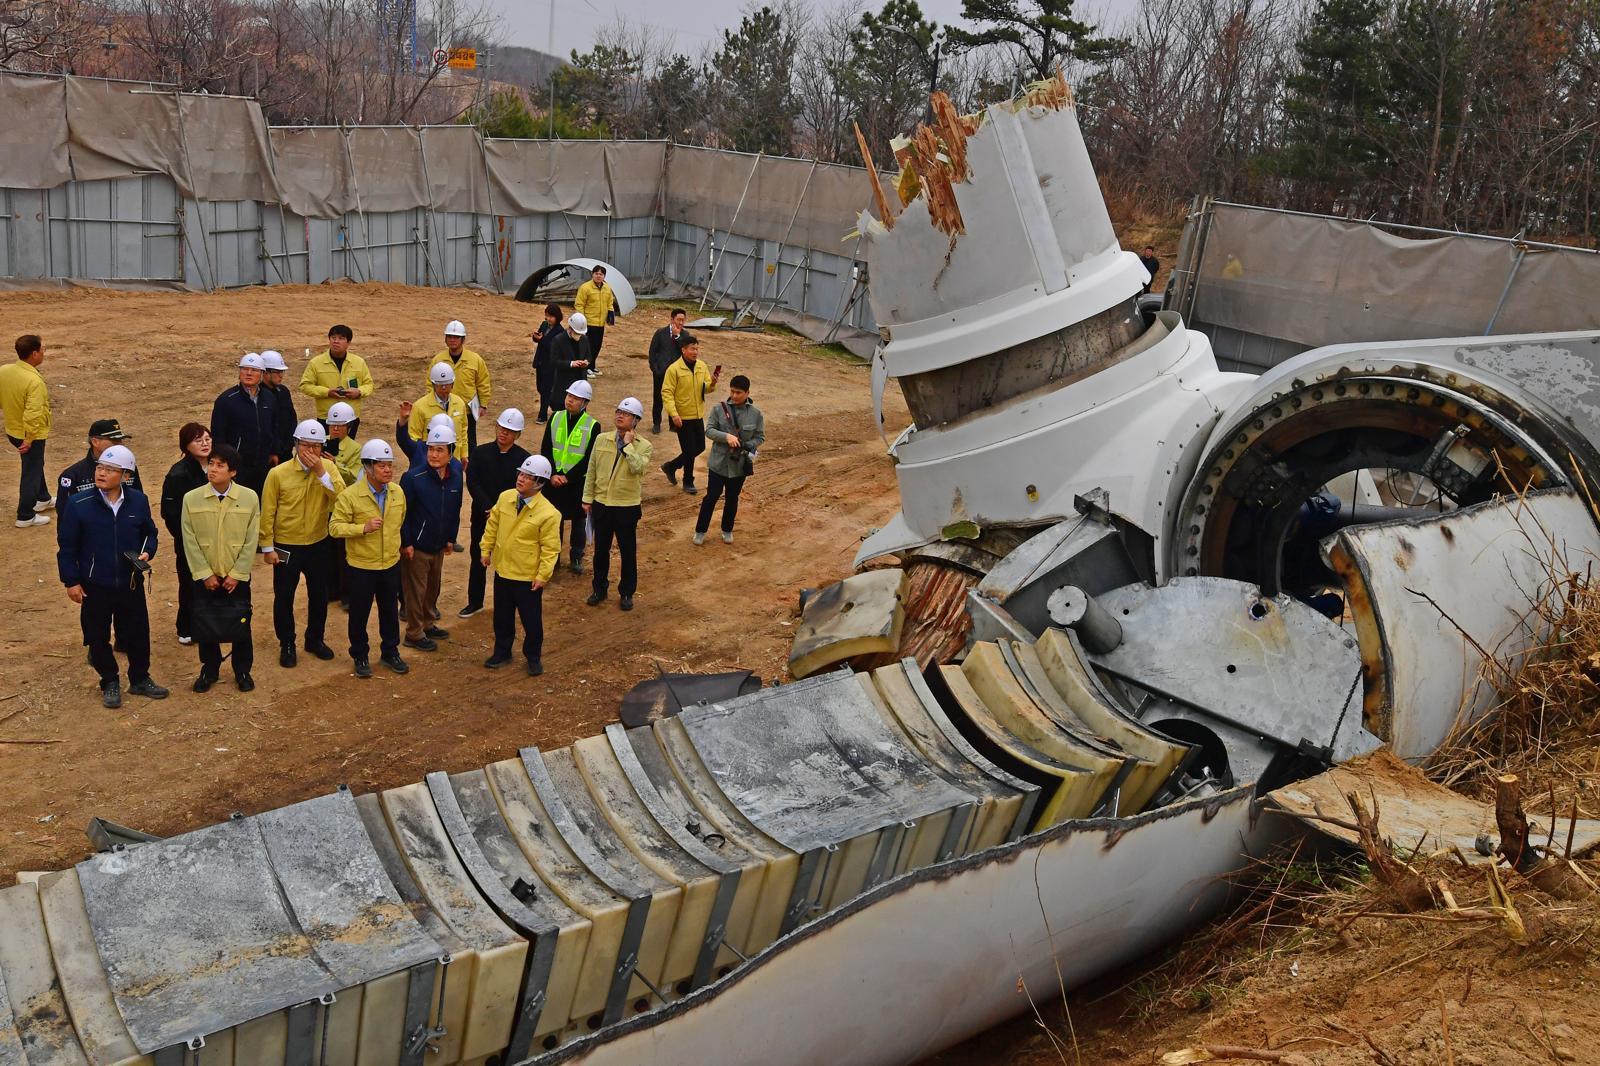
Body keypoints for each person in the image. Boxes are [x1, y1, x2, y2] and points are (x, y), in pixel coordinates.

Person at [55, 444, 168, 709]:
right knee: (97, 636)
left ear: (126, 476)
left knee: (138, 633)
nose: (102, 473)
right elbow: (67, 547)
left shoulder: (138, 501)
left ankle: (140, 678)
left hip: (130, 581)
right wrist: (71, 581)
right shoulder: (79, 504)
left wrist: (147, 552)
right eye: (100, 468)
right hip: (95, 585)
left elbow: (150, 533)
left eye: (110, 469)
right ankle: (109, 681)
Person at [260, 419, 345, 668]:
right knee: (284, 596)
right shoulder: (278, 474)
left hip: (318, 542)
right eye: (306, 446)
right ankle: (287, 642)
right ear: (296, 445)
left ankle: (314, 639)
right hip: (287, 545)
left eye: (317, 446)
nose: (311, 452)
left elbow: (342, 497)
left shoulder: (328, 467)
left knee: (319, 594)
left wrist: (321, 473)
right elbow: (268, 511)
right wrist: (267, 546)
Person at [180, 443, 261, 693]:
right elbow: (189, 539)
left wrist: (237, 574)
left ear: (233, 472)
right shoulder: (191, 498)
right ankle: (210, 669)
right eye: (211, 464)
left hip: (236, 577)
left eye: (220, 465)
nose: (213, 469)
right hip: (206, 577)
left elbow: (251, 539)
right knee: (205, 623)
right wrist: (204, 573)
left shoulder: (249, 497)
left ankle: (242, 670)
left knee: (241, 622)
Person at [330, 439, 408, 678]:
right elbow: (334, 527)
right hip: (361, 566)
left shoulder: (397, 492)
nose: (387, 470)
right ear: (367, 468)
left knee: (389, 612)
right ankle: (360, 655)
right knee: (359, 614)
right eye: (381, 466)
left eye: (389, 465)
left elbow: (400, 522)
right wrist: (361, 528)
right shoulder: (350, 496)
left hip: (390, 564)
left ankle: (390, 651)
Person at [481, 454, 559, 675]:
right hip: (504, 571)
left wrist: (542, 575)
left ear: (540, 483)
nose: (521, 479)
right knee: (502, 617)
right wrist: (485, 550)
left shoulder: (549, 514)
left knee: (531, 620)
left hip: (526, 577)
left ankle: (533, 657)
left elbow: (550, 548)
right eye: (521, 473)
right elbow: (492, 526)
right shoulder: (506, 497)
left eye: (528, 476)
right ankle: (502, 652)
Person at [583, 397, 652, 611]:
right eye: (618, 411)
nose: (620, 415)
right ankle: (599, 589)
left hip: (626, 506)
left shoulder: (644, 446)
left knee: (627, 551)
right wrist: (587, 497)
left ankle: (627, 592)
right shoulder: (602, 439)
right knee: (600, 550)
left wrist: (629, 446)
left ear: (636, 421)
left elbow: (638, 469)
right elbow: (592, 469)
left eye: (626, 413)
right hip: (602, 503)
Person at [400, 422, 463, 651]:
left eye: (439, 450)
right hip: (416, 547)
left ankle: (428, 624)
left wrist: (450, 538)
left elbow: (455, 509)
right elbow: (402, 514)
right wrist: (406, 542)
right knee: (415, 592)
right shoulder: (413, 478)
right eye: (431, 449)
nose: (434, 455)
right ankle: (414, 633)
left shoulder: (456, 477)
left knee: (432, 588)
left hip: (438, 545)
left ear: (451, 452)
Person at [461, 408, 529, 618]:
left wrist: (500, 510)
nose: (503, 433)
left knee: (508, 559)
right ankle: (475, 601)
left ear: (517, 435)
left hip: (510, 518)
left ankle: (507, 604)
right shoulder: (480, 453)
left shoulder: (523, 459)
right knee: (478, 556)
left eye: (509, 430)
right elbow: (473, 482)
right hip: (482, 514)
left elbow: (521, 489)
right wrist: (488, 507)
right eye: (501, 427)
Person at [696, 374, 765, 545]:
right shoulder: (719, 409)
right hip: (718, 464)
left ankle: (727, 530)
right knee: (711, 497)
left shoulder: (756, 414)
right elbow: (709, 430)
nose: (734, 396)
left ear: (747, 393)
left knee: (732, 498)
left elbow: (760, 437)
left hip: (739, 465)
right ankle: (700, 531)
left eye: (739, 393)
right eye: (732, 391)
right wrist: (726, 436)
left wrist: (747, 445)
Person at [159, 423, 211, 646]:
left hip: (216, 538)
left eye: (207, 438)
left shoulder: (219, 465)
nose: (204, 443)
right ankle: (186, 627)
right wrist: (186, 538)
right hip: (190, 541)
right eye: (198, 440)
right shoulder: (178, 474)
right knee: (190, 584)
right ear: (186, 445)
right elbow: (170, 514)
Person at [539, 380, 598, 574]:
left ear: (585, 403)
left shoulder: (593, 426)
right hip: (554, 480)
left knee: (578, 521)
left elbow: (589, 457)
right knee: (554, 521)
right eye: (569, 396)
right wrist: (552, 474)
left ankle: (576, 556)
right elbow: (546, 448)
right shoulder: (555, 418)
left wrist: (568, 477)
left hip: (576, 483)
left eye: (575, 398)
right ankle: (553, 558)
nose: (569, 400)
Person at [0, 334, 52, 527]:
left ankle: (43, 497)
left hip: (12, 430)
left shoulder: (5, 370)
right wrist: (29, 439)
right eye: (42, 350)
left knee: (35, 464)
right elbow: (33, 414)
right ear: (34, 354)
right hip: (29, 435)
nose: (44, 352)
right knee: (31, 471)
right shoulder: (34, 381)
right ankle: (25, 515)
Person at [211, 352, 281, 493]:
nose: (248, 373)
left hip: (263, 463)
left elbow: (274, 427)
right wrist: (224, 462)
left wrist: (274, 451)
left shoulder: (269, 398)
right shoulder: (226, 400)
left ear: (262, 373)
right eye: (244, 369)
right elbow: (218, 436)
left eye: (254, 370)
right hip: (238, 465)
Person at [659, 333, 716, 495]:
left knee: (699, 447)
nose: (695, 352)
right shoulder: (674, 369)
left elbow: (705, 388)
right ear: (683, 350)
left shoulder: (701, 366)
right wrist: (674, 414)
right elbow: (667, 393)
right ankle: (688, 481)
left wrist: (712, 383)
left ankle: (671, 466)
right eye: (692, 349)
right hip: (681, 417)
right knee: (689, 450)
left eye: (697, 349)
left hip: (697, 414)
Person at [300, 324, 374, 435]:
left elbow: (368, 384)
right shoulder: (316, 363)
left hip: (350, 418)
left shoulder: (359, 362)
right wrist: (327, 392)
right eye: (333, 338)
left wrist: (359, 392)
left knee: (348, 449)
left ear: (348, 343)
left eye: (341, 338)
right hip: (326, 417)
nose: (336, 341)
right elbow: (305, 386)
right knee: (327, 451)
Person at [56, 418, 143, 513]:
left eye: (120, 440)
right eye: (114, 441)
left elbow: (138, 502)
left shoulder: (128, 468)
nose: (120, 445)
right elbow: (65, 515)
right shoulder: (72, 476)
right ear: (95, 442)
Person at [430, 320, 491, 452]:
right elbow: (430, 384)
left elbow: (483, 383)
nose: (452, 340)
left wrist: (483, 404)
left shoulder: (475, 360)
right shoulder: (438, 360)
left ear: (463, 339)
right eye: (449, 337)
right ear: (445, 339)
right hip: (443, 409)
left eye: (456, 337)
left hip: (467, 410)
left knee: (469, 443)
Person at [404, 363, 469, 463]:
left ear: (452, 384)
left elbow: (463, 432)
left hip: (454, 460)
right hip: (431, 461)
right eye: (440, 384)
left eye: (447, 384)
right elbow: (414, 438)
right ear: (433, 385)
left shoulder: (459, 403)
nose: (443, 388)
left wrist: (464, 455)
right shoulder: (419, 406)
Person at [573, 265, 618, 376]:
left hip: (600, 323)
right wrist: (581, 319)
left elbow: (609, 302)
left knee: (597, 346)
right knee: (587, 347)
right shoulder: (585, 287)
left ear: (604, 276)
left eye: (601, 274)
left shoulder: (607, 288)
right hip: (588, 323)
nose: (598, 276)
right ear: (592, 274)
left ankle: (592, 366)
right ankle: (585, 367)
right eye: (596, 273)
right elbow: (579, 304)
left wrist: (610, 314)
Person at [646, 309, 687, 434]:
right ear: (672, 319)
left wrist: (677, 336)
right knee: (658, 398)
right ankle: (656, 423)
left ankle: (672, 424)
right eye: (679, 320)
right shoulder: (660, 333)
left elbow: (686, 351)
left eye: (683, 320)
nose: (681, 323)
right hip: (660, 371)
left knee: (674, 398)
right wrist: (654, 367)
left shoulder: (685, 335)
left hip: (676, 373)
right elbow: (652, 351)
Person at [548, 312, 591, 411]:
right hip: (564, 383)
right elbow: (554, 361)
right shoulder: (558, 340)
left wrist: (586, 362)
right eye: (577, 333)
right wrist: (571, 364)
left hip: (580, 381)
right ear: (570, 328)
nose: (578, 336)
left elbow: (589, 356)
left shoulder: (584, 339)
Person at [260, 350, 299, 459]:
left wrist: (290, 443)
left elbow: (292, 418)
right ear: (265, 372)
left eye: (282, 372)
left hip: (286, 450)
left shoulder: (283, 391)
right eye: (277, 372)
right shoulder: (258, 395)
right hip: (270, 454)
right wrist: (273, 450)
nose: (281, 375)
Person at [530, 304, 563, 425]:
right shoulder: (544, 325)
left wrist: (541, 340)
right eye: (547, 316)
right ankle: (555, 406)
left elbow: (554, 347)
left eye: (551, 316)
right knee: (540, 387)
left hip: (550, 365)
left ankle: (542, 414)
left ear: (557, 317)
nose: (548, 319)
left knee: (546, 389)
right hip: (540, 361)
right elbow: (539, 338)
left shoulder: (560, 331)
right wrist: (535, 337)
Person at [323, 401, 363, 485]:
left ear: (349, 427)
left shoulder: (356, 449)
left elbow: (353, 478)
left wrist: (335, 464)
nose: (335, 429)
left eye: (340, 425)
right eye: (332, 424)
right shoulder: (319, 441)